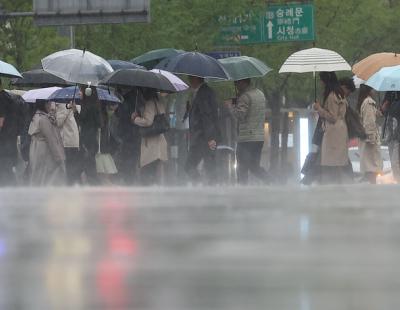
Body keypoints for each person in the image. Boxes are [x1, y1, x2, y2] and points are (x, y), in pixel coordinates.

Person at [226, 78, 269, 185]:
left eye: (237, 82)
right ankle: (272, 181)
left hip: (246, 139)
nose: (236, 85)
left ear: (243, 82)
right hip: (258, 137)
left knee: (242, 167)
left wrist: (230, 107)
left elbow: (240, 115)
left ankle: (242, 189)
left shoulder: (245, 97)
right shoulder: (260, 94)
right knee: (254, 166)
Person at [313, 72, 351, 184]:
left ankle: (333, 186)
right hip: (340, 130)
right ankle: (338, 185)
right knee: (337, 162)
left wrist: (319, 108)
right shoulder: (339, 94)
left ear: (326, 81)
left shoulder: (332, 95)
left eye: (321, 80)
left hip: (334, 132)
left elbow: (332, 117)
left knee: (331, 162)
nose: (320, 83)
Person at [184, 76, 220, 184]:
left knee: (189, 166)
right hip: (204, 137)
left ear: (196, 79)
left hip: (202, 137)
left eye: (191, 78)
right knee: (209, 167)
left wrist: (210, 138)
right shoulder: (203, 92)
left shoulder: (203, 94)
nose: (189, 81)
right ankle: (209, 188)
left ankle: (204, 187)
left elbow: (207, 116)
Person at [132, 88, 168, 185]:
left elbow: (148, 121)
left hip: (152, 142)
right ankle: (159, 188)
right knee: (158, 168)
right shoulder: (160, 101)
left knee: (148, 169)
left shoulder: (149, 103)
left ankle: (149, 191)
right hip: (160, 139)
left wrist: (136, 118)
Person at [28, 99, 66, 186]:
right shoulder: (44, 119)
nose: (50, 105)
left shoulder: (36, 116)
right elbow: (51, 139)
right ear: (44, 104)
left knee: (36, 175)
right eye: (48, 103)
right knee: (46, 178)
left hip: (35, 150)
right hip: (44, 152)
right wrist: (59, 157)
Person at [115, 87, 142, 185]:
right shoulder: (138, 100)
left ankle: (128, 179)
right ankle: (130, 178)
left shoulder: (126, 100)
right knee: (132, 158)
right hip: (134, 134)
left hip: (127, 134)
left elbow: (120, 115)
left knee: (127, 158)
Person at [0, 80, 24, 186]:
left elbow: (1, 122)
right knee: (7, 171)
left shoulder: (1, 99)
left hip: (3, 144)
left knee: (4, 173)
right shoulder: (11, 98)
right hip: (11, 141)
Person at [357, 85, 383, 184]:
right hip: (370, 139)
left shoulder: (364, 102)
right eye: (373, 88)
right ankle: (372, 189)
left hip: (365, 138)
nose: (375, 91)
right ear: (369, 90)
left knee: (369, 167)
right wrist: (372, 138)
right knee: (372, 167)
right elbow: (369, 122)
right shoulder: (368, 102)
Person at [77, 85, 102, 185]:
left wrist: (75, 112)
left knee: (87, 166)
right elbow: (100, 123)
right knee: (90, 165)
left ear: (87, 92)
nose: (80, 93)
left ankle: (92, 186)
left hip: (87, 139)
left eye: (81, 91)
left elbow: (81, 121)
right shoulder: (96, 105)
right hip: (93, 140)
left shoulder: (86, 106)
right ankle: (94, 185)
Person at [56, 101, 81, 185]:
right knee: (72, 166)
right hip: (72, 141)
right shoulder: (67, 106)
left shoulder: (63, 106)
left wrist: (69, 108)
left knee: (70, 166)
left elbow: (58, 122)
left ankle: (70, 184)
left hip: (68, 141)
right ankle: (72, 184)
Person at [96, 102, 121, 185]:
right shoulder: (106, 116)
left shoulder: (103, 116)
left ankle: (109, 187)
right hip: (103, 148)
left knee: (103, 175)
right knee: (104, 174)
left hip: (101, 148)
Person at [381, 91, 400, 183]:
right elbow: (383, 108)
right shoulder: (391, 92)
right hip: (393, 134)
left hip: (392, 134)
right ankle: (397, 180)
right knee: (394, 160)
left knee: (394, 160)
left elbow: (383, 108)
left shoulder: (390, 92)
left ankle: (398, 181)